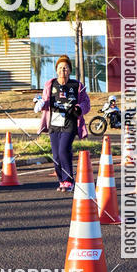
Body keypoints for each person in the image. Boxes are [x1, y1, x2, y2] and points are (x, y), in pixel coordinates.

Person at [34, 55, 90, 191]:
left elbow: (86, 104)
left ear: (69, 70)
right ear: (56, 70)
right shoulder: (50, 84)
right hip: (54, 124)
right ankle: (62, 181)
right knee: (56, 156)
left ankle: (69, 181)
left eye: (65, 68)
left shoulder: (77, 86)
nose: (62, 70)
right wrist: (40, 103)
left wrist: (79, 108)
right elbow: (46, 101)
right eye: (60, 68)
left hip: (69, 124)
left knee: (63, 150)